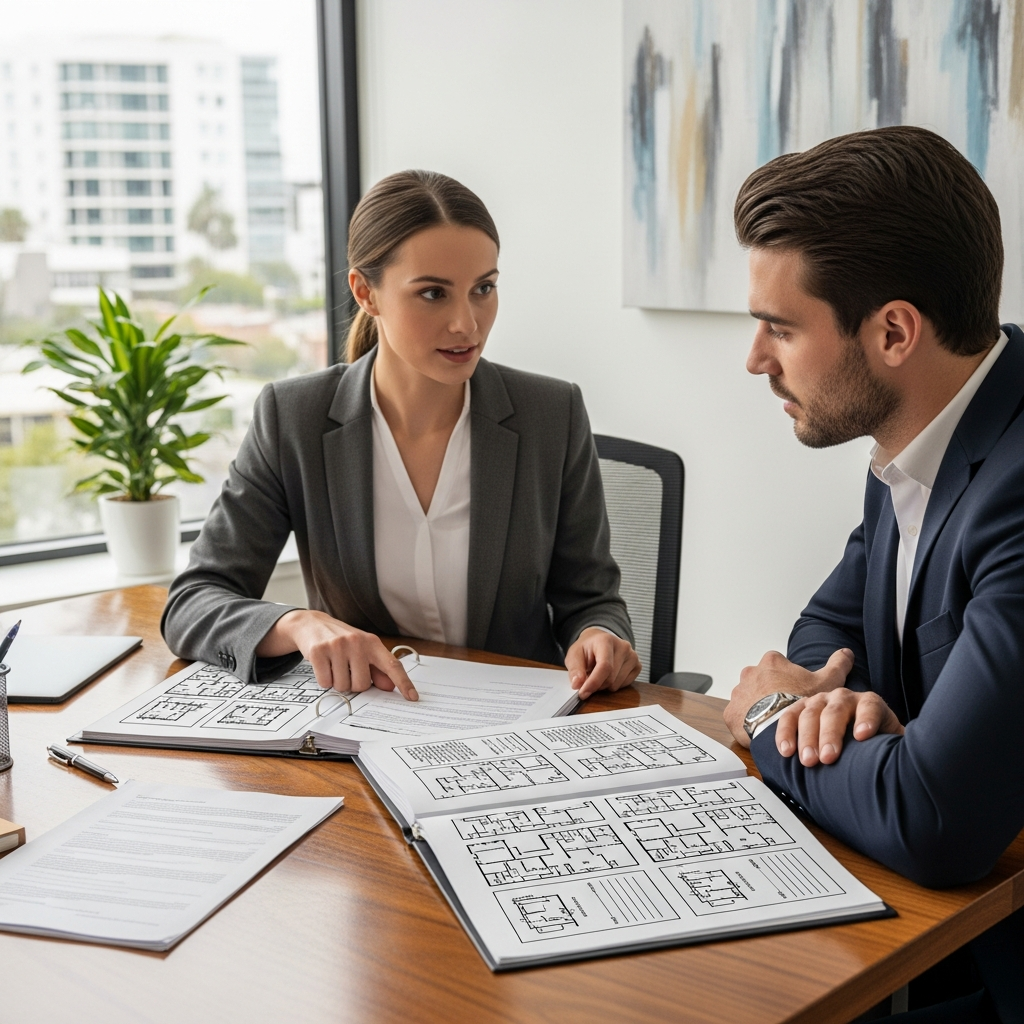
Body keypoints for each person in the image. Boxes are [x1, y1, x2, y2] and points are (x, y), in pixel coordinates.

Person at [724, 126, 1022, 1023]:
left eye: (780, 327)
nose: (755, 360)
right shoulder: (921, 437)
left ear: (894, 331)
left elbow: (934, 820)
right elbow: (829, 628)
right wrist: (835, 702)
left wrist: (774, 717)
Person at [162, 170, 639, 703]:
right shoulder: (293, 418)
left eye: (483, 288)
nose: (467, 324)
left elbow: (592, 599)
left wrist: (601, 635)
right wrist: (298, 623)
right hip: (366, 724)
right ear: (366, 292)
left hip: (515, 726)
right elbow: (194, 602)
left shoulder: (551, 414)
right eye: (433, 293)